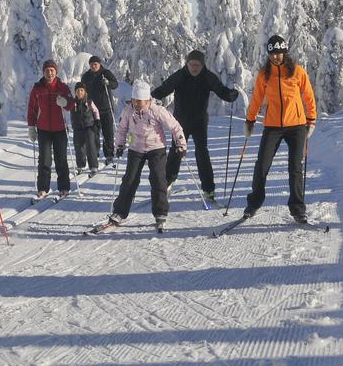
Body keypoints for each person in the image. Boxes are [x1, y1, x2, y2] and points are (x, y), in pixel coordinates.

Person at [243, 35, 318, 224]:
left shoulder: (297, 72)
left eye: (279, 53)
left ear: (285, 52)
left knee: (295, 168)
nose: (276, 56)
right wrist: (250, 120)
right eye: (273, 53)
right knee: (261, 166)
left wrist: (311, 119)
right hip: (273, 126)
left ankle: (298, 209)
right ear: (268, 54)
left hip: (297, 126)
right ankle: (253, 204)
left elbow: (308, 96)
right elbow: (257, 99)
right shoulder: (264, 74)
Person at [151, 49, 242, 201]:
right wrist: (149, 97)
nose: (194, 68)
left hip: (200, 121)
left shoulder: (208, 76)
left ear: (202, 65)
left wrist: (230, 95)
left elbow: (221, 90)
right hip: (180, 122)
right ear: (187, 64)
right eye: (192, 64)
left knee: (202, 153)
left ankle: (208, 189)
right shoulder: (180, 75)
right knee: (176, 151)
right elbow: (164, 89)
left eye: (197, 65)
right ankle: (167, 182)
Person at [106, 80, 186, 231]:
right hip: (136, 148)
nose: (136, 103)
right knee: (129, 179)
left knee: (158, 179)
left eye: (140, 101)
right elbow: (122, 129)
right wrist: (120, 145)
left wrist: (181, 144)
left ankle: (160, 213)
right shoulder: (128, 110)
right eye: (134, 100)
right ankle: (120, 212)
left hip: (156, 148)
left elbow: (175, 127)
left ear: (147, 99)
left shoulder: (157, 110)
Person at [27, 59, 76, 198]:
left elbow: (71, 105)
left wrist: (65, 102)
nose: (50, 73)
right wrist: (31, 127)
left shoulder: (62, 87)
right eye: (47, 71)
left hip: (60, 128)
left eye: (52, 71)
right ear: (43, 72)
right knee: (44, 160)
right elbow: (32, 109)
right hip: (43, 129)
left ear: (56, 72)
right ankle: (43, 188)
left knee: (61, 159)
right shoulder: (38, 88)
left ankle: (64, 187)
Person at [80, 56, 119, 165]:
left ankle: (109, 154)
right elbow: (82, 90)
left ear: (99, 64)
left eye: (95, 64)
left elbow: (115, 84)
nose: (93, 66)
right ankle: (94, 154)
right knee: (93, 133)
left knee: (108, 133)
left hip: (106, 108)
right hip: (91, 109)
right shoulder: (86, 76)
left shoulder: (105, 73)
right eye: (91, 64)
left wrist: (108, 83)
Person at [70, 82, 101, 176]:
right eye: (78, 90)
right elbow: (67, 112)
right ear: (75, 92)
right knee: (79, 147)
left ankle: (93, 166)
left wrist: (97, 121)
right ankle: (80, 165)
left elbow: (96, 111)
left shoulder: (89, 102)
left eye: (81, 90)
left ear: (85, 92)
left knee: (91, 146)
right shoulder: (73, 103)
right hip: (77, 128)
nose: (79, 92)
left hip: (89, 127)